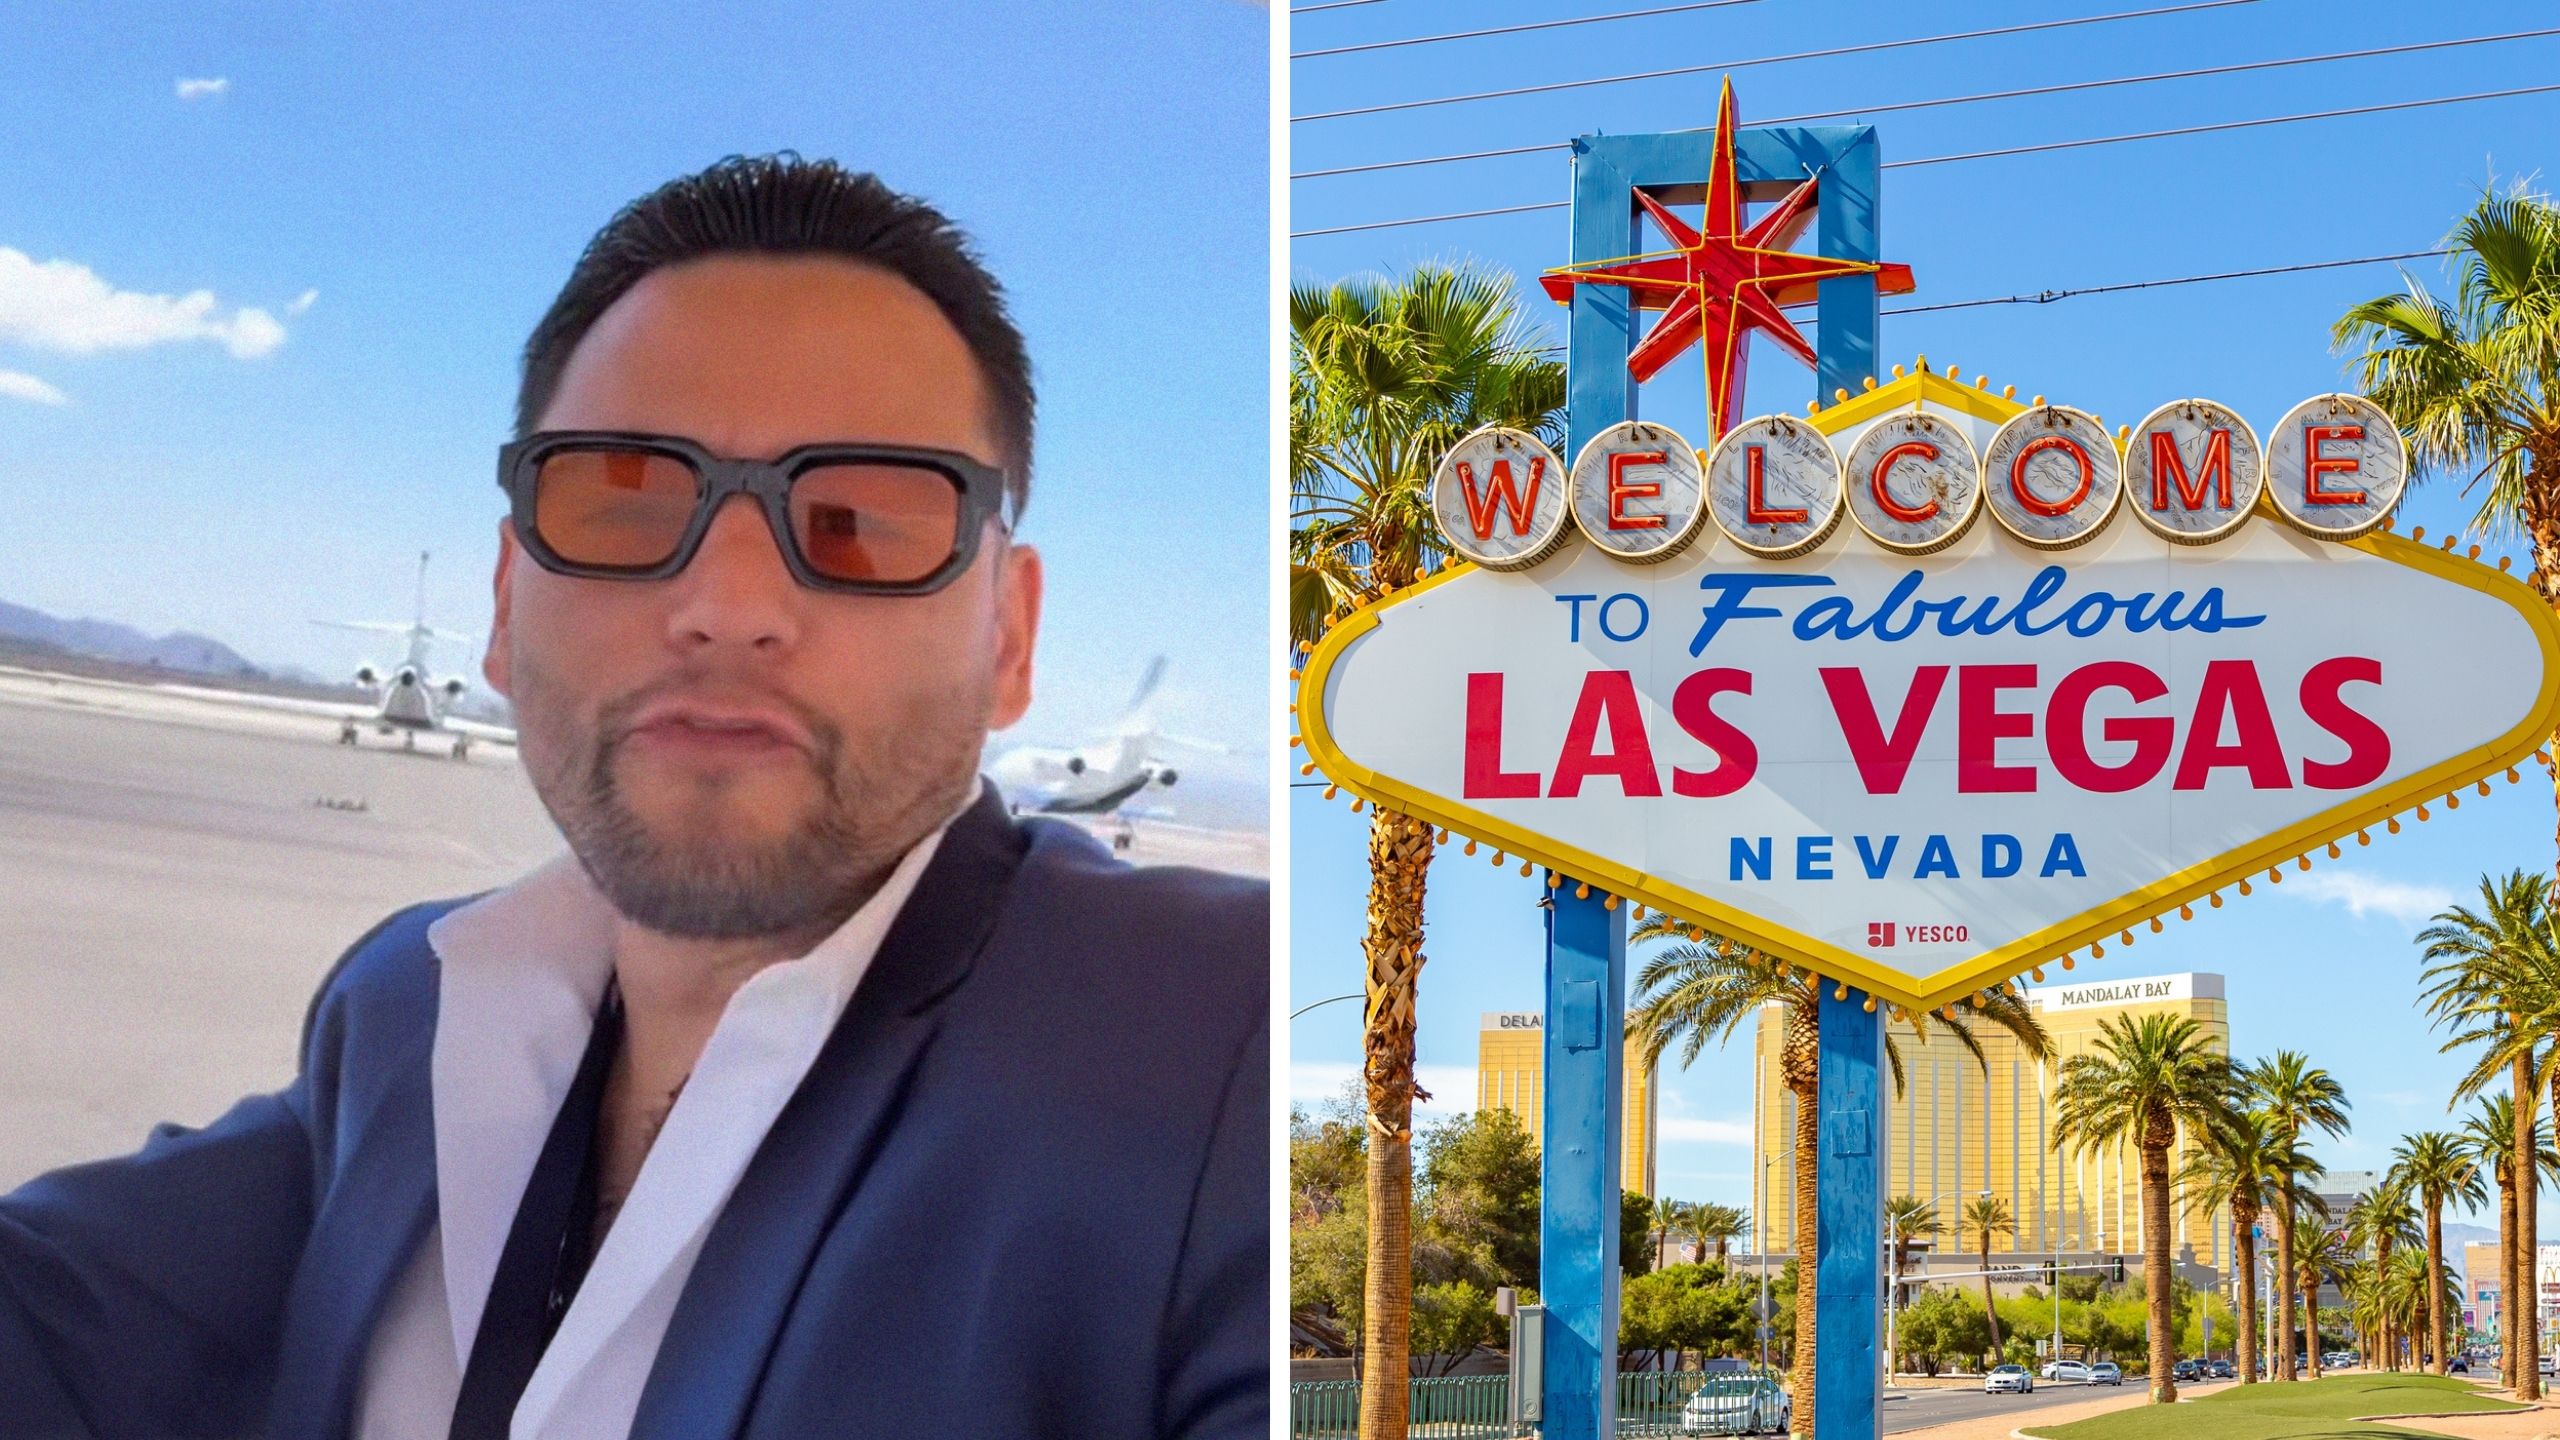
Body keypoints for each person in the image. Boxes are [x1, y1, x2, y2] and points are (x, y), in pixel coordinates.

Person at [0, 155, 1266, 1440]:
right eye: (622, 499)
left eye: (861, 521)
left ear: (1009, 638)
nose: (726, 609)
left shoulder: (1226, 1050)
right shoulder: (401, 1017)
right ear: (503, 604)